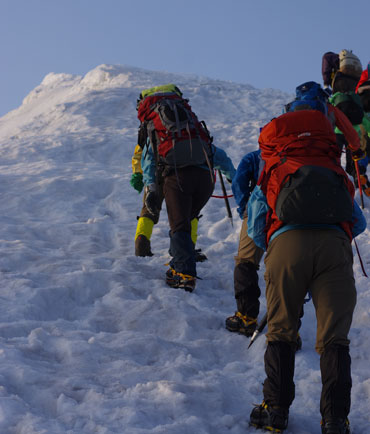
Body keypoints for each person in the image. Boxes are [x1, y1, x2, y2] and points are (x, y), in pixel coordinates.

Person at [247, 108, 366, 434]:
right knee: (334, 340)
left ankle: (275, 411)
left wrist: (278, 244)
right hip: (334, 248)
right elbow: (359, 221)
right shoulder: (331, 168)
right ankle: (335, 420)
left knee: (282, 330)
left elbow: (257, 226)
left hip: (286, 247)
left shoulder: (274, 167)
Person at [137, 84, 236, 292]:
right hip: (205, 179)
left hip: (177, 178)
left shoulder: (156, 128)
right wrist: (232, 178)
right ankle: (182, 257)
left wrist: (152, 188)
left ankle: (183, 272)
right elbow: (220, 156)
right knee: (188, 217)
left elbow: (148, 161)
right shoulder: (191, 128)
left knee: (179, 224)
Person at [130, 145, 207, 260]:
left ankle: (142, 243)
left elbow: (142, 150)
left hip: (154, 172)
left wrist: (137, 172)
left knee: (149, 209)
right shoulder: (190, 127)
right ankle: (187, 247)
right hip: (182, 173)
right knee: (187, 211)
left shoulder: (153, 126)